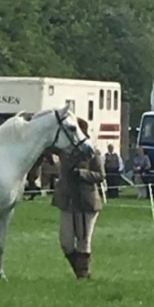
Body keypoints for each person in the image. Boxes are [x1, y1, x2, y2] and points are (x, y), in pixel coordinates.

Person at [51, 119, 105, 279]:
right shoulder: (65, 152)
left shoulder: (92, 152)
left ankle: (82, 273)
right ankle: (79, 270)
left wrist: (82, 173)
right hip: (67, 200)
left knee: (84, 239)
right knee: (65, 241)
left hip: (86, 200)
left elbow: (101, 175)